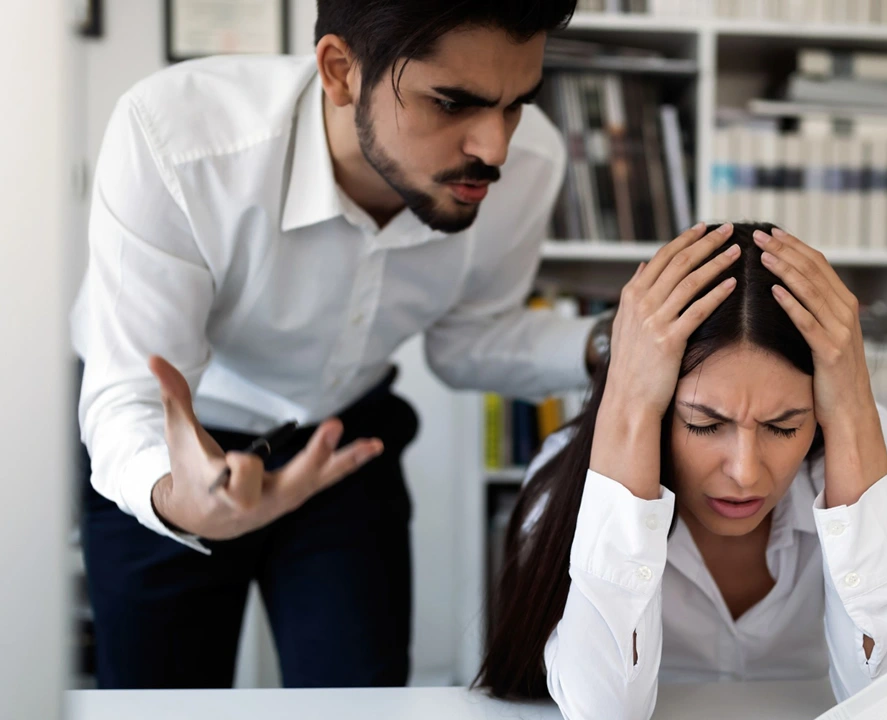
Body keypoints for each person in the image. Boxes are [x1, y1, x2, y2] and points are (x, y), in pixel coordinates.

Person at [72, 0, 603, 689]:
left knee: (358, 702)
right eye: (451, 103)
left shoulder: (531, 162)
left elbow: (469, 339)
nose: (494, 147)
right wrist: (177, 496)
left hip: (344, 445)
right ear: (340, 70)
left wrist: (611, 342)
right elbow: (128, 396)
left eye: (516, 105)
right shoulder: (177, 138)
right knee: (160, 703)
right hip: (177, 450)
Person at [476, 222, 887, 717]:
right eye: (703, 423)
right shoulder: (564, 474)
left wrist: (851, 412)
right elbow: (603, 711)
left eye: (784, 427)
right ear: (655, 407)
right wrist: (629, 407)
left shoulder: (870, 444)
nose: (745, 472)